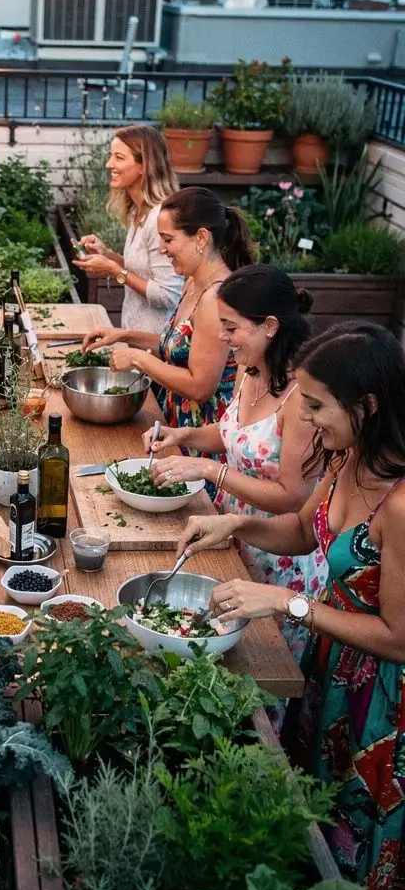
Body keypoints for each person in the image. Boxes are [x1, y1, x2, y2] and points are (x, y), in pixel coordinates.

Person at [177, 323, 405, 890]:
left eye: (315, 405)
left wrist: (287, 601)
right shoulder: (348, 458)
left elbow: (398, 637)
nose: (303, 418)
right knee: (320, 832)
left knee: (364, 863)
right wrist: (236, 524)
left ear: (368, 407)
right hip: (333, 672)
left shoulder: (402, 503)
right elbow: (304, 532)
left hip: (381, 707)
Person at [146, 264, 328, 682]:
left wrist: (211, 469)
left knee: (260, 676)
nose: (222, 337)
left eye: (231, 327)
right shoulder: (252, 372)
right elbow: (234, 436)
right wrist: (184, 434)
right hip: (232, 536)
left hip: (281, 559)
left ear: (269, 326)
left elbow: (294, 497)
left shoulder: (302, 398)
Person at [83, 186, 254, 431]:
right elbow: (180, 346)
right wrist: (123, 336)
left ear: (201, 238)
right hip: (176, 424)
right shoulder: (193, 282)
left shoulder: (214, 298)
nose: (162, 249)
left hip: (202, 436)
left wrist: (138, 358)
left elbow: (200, 387)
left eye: (168, 239)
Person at [73, 124, 182, 331]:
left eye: (119, 158)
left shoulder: (161, 218)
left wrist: (114, 270)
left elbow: (168, 296)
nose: (109, 164)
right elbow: (143, 271)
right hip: (135, 342)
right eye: (110, 156)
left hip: (156, 347)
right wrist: (108, 255)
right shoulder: (140, 212)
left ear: (144, 166)